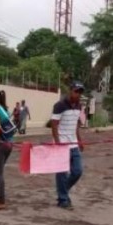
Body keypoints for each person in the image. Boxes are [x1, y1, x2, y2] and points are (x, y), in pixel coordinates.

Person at [51, 82, 85, 210]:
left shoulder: (78, 106)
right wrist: (58, 142)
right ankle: (63, 199)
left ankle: (63, 191)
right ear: (70, 91)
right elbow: (54, 125)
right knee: (62, 173)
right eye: (76, 91)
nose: (78, 94)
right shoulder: (59, 106)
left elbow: (76, 125)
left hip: (74, 143)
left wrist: (80, 140)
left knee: (78, 171)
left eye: (80, 92)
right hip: (61, 144)